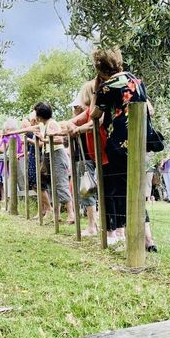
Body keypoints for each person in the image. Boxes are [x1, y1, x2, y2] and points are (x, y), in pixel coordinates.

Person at [89, 47, 157, 251]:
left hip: (119, 141)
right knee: (135, 187)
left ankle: (133, 240)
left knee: (123, 190)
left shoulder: (107, 87)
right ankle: (148, 240)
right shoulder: (134, 80)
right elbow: (149, 107)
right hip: (139, 137)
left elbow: (94, 114)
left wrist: (96, 90)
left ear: (100, 69)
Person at [9, 102, 75, 224]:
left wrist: (44, 139)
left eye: (36, 112)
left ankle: (71, 214)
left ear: (41, 114)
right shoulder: (42, 124)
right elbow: (28, 128)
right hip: (47, 155)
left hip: (57, 155)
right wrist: (12, 133)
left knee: (61, 183)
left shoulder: (52, 123)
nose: (35, 116)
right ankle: (55, 214)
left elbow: (59, 139)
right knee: (43, 182)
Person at [65, 80, 101, 235]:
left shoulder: (94, 112)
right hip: (83, 155)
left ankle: (93, 225)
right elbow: (69, 124)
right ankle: (93, 224)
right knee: (86, 190)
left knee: (87, 190)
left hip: (88, 155)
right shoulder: (86, 114)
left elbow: (93, 126)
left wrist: (78, 129)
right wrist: (74, 126)